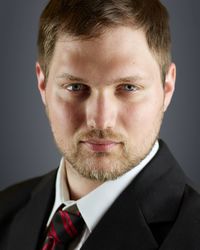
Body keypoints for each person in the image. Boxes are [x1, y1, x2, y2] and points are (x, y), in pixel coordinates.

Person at [0, 0, 200, 249]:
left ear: (167, 88)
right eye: (75, 87)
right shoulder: (5, 208)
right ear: (43, 84)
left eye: (128, 87)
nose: (101, 120)